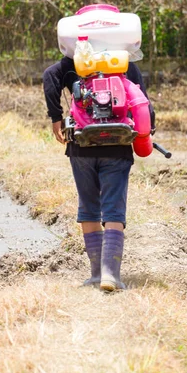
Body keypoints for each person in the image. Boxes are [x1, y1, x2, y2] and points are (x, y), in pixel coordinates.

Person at [43, 54, 155, 291]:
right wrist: (146, 130)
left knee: (88, 206)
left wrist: (56, 117)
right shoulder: (123, 63)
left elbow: (49, 76)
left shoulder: (75, 61)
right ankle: (110, 276)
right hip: (117, 147)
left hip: (81, 145)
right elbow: (145, 108)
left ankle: (95, 275)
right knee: (113, 207)